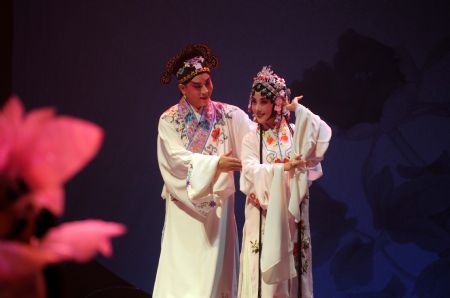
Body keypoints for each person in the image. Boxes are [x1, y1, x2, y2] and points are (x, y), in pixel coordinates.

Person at [154, 44, 254, 298]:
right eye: (197, 86)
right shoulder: (169, 121)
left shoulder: (229, 115)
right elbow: (175, 160)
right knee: (180, 279)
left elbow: (257, 143)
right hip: (183, 212)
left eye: (208, 83)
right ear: (182, 88)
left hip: (218, 216)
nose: (205, 90)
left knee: (216, 279)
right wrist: (216, 164)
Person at [238, 66, 332, 297]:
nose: (257, 108)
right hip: (263, 217)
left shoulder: (292, 133)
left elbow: (321, 133)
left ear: (278, 103)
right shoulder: (251, 138)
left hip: (293, 219)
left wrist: (298, 109)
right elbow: (250, 171)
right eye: (254, 101)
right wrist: (283, 169)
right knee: (264, 280)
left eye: (264, 102)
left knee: (296, 276)